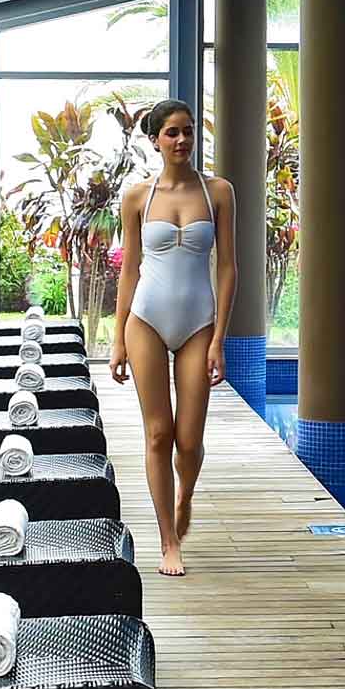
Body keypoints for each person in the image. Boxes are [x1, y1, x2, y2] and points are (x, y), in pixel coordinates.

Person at [110, 99, 234, 577]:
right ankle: (168, 540)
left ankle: (186, 495)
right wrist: (119, 339)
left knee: (189, 440)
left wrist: (219, 337)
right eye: (172, 133)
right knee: (159, 433)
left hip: (198, 324)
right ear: (155, 140)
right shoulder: (137, 198)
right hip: (146, 319)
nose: (182, 140)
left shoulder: (217, 192)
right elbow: (130, 271)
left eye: (188, 131)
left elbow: (228, 268)